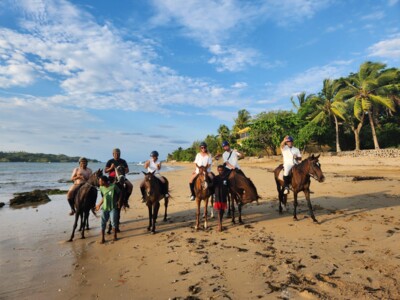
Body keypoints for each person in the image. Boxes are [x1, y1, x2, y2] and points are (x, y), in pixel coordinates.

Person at [96, 175, 120, 243]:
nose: (99, 182)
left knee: (113, 222)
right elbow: (104, 196)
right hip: (105, 208)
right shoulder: (101, 187)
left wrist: (119, 202)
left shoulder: (114, 186)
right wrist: (99, 205)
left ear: (103, 181)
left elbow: (120, 193)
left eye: (100, 181)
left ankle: (115, 236)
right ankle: (102, 238)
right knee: (103, 223)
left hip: (113, 207)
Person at [213, 165, 229, 232]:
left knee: (222, 211)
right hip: (217, 197)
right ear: (217, 170)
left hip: (224, 197)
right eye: (219, 170)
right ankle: (220, 225)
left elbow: (228, 186)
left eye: (222, 170)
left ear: (224, 170)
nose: (220, 171)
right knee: (219, 211)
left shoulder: (226, 178)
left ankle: (220, 222)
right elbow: (212, 185)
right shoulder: (215, 178)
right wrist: (207, 185)